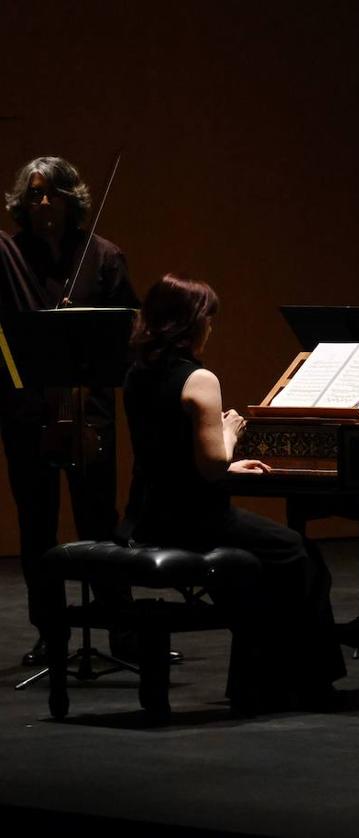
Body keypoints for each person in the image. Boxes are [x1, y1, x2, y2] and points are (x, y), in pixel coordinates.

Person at [119, 274, 345, 712]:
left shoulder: (136, 373)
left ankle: (260, 683)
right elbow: (211, 466)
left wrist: (220, 457)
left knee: (274, 565)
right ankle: (313, 683)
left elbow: (169, 450)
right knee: (300, 554)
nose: (211, 328)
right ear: (191, 323)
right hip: (195, 518)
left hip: (147, 514)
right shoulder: (199, 379)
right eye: (209, 319)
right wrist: (229, 433)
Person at [1, 156, 139, 667]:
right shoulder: (8, 255)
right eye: (34, 195)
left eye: (53, 194)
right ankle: (51, 633)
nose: (43, 204)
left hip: (87, 412)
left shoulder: (104, 256)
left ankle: (121, 630)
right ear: (22, 201)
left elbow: (130, 329)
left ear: (70, 199)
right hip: (27, 411)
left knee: (99, 521)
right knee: (37, 524)